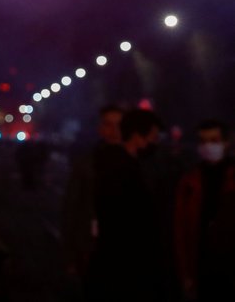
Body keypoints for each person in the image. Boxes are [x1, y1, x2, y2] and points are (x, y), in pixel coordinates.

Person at [85, 107, 165, 301]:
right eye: (152, 137)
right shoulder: (120, 169)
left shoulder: (128, 165)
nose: (156, 143)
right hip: (124, 265)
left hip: (122, 262)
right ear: (137, 137)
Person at [173, 119, 235, 301]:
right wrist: (185, 273)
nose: (208, 146)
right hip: (202, 266)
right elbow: (180, 230)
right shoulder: (189, 182)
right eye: (203, 141)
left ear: (225, 143)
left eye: (214, 140)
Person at [61, 104, 123, 279]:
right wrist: (70, 255)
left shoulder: (138, 163)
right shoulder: (87, 164)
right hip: (92, 246)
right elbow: (71, 208)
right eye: (108, 124)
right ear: (100, 128)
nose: (114, 131)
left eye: (118, 125)